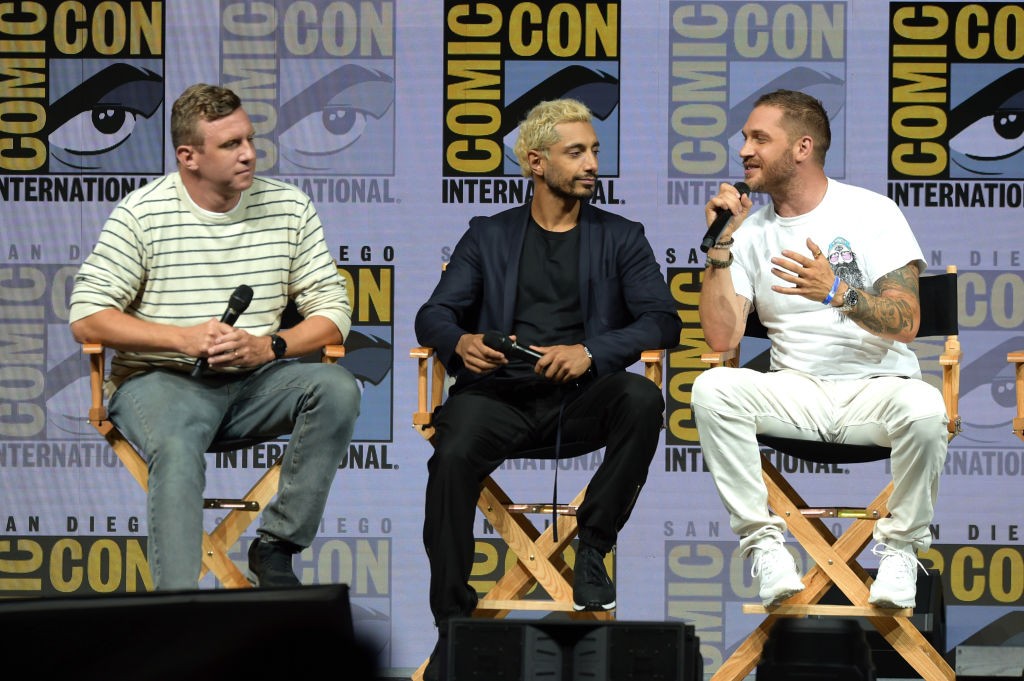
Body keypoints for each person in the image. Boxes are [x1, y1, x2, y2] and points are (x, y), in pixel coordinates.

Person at [414, 98, 682, 679]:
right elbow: (434, 315)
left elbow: (663, 320)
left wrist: (591, 353)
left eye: (594, 152)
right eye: (576, 152)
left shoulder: (622, 236)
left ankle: (593, 546)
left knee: (641, 398)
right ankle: (450, 627)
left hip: (582, 398)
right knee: (452, 454)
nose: (592, 163)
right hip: (495, 398)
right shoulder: (487, 235)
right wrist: (459, 344)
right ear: (536, 162)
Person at [69, 83, 361, 590]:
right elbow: (87, 317)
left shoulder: (290, 208)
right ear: (189, 157)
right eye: (230, 145)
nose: (249, 153)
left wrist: (268, 347)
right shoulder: (143, 213)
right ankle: (177, 610)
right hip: (161, 381)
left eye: (248, 139)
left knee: (337, 387)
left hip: (255, 381)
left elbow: (333, 311)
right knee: (178, 446)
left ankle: (275, 545)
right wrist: (182, 340)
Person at [692, 89, 948, 609]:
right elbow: (722, 340)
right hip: (796, 393)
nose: (744, 149)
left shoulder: (872, 212)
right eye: (744, 137)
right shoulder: (747, 234)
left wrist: (839, 292)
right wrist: (720, 248)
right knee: (712, 386)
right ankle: (765, 546)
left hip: (877, 391)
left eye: (760, 138)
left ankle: (899, 550)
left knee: (927, 406)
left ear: (803, 147)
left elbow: (906, 323)